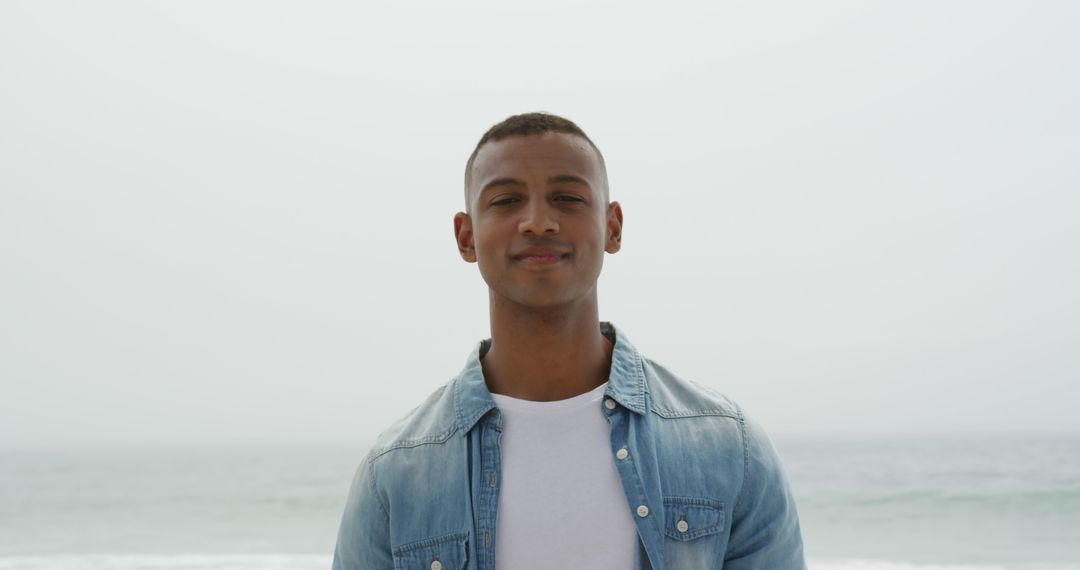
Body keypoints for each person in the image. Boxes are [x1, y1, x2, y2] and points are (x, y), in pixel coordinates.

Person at [332, 112, 806, 569]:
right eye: (505, 201)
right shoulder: (396, 473)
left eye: (568, 198)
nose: (538, 222)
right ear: (466, 236)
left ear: (612, 226)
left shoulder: (727, 449)